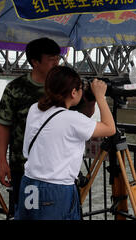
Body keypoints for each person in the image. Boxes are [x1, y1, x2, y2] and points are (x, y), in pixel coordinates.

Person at [14, 66, 116, 220]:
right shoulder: (72, 119)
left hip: (29, 184)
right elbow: (110, 128)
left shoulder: (35, 109)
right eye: (80, 89)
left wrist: (90, 100)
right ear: (73, 93)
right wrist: (100, 96)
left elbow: (75, 120)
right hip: (55, 190)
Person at [0, 37, 61, 214]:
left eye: (58, 58)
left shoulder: (63, 87)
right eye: (51, 59)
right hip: (24, 168)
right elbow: (3, 126)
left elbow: (82, 117)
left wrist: (92, 101)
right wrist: (2, 162)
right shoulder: (15, 88)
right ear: (35, 62)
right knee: (26, 213)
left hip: (58, 168)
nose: (57, 63)